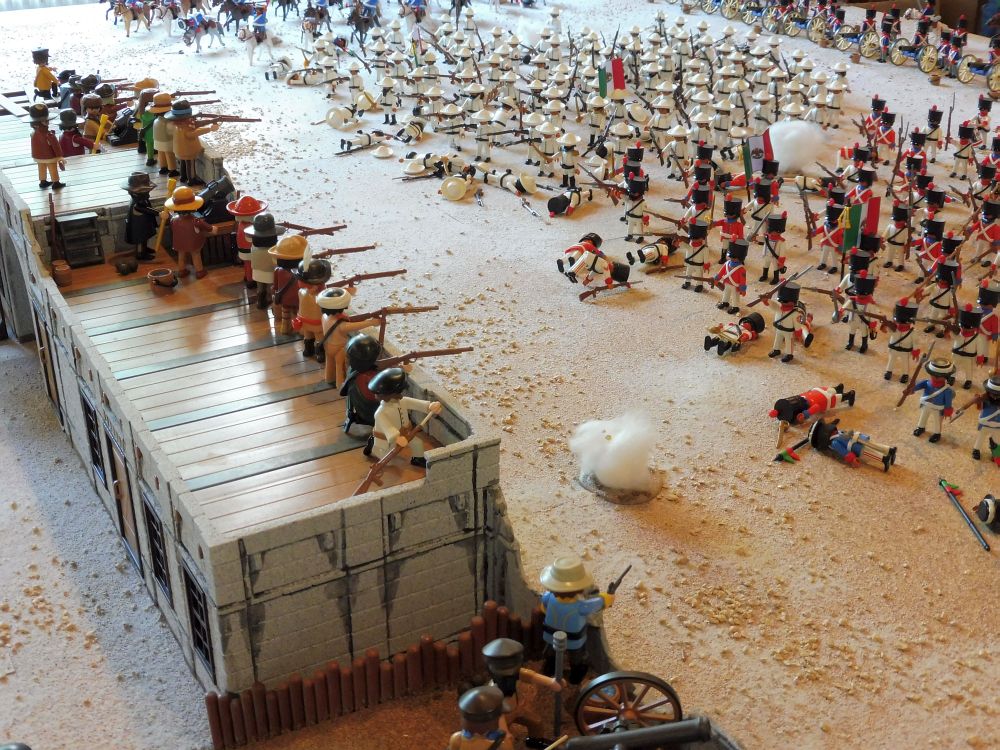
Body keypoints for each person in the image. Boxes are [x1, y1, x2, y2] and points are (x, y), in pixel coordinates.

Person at [538, 554, 613, 684]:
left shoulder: (547, 597)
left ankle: (549, 669)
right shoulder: (581, 606)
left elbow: (543, 608)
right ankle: (575, 675)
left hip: (551, 636)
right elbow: (597, 603)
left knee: (551, 653)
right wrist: (608, 598)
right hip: (573, 640)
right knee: (576, 657)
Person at [366, 367, 442, 467]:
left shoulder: (402, 401)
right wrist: (396, 437)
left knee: (417, 443)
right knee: (388, 461)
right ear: (389, 394)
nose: (401, 395)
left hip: (406, 433)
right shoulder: (380, 413)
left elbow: (416, 404)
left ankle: (417, 459)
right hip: (387, 440)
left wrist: (429, 406)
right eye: (398, 392)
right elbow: (388, 428)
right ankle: (372, 446)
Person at [122, 172, 159, 262]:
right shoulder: (137, 203)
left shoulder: (141, 200)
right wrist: (158, 213)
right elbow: (144, 209)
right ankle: (140, 253)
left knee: (144, 238)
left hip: (143, 224)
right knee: (140, 239)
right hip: (138, 226)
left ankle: (144, 249)